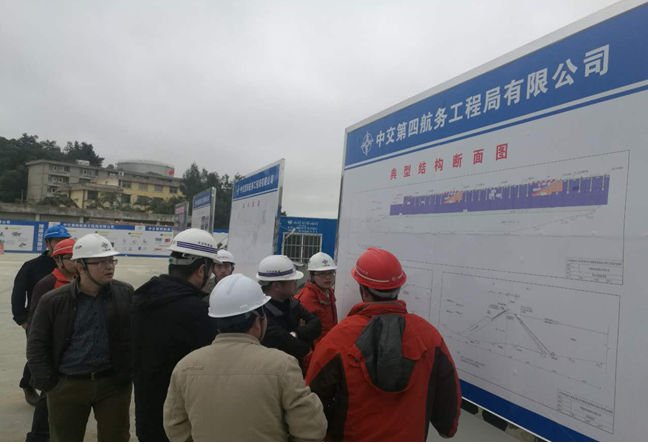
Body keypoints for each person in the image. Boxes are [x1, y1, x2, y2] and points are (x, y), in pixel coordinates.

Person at [305, 248, 461, 441]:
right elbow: (448, 396)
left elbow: (312, 399)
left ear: (363, 290)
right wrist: (446, 427)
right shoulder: (430, 336)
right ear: (398, 288)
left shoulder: (338, 338)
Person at [164, 274, 327, 441]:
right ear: (258, 322)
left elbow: (174, 426)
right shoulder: (282, 365)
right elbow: (313, 429)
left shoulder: (185, 367)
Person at [27, 234, 134, 442]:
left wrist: (127, 374)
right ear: (80, 266)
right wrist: (50, 384)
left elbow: (134, 335)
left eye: (111, 260)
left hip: (113, 385)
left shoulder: (125, 293)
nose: (109, 266)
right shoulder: (53, 300)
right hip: (67, 386)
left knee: (116, 437)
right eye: (101, 262)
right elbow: (36, 344)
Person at [131, 228, 219, 442]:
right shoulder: (198, 312)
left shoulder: (140, 298)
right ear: (201, 270)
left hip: (146, 412)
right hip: (181, 419)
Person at [12, 224, 71, 406]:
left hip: (64, 319)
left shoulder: (72, 264)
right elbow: (18, 294)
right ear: (47, 244)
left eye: (65, 241)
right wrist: (23, 320)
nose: (61, 244)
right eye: (57, 241)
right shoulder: (32, 266)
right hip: (36, 320)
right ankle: (28, 385)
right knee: (39, 354)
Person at [24, 238, 77, 442]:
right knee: (48, 399)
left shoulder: (80, 281)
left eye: (78, 258)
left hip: (72, 353)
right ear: (58, 260)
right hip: (53, 353)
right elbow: (36, 324)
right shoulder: (47, 284)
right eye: (71, 258)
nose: (76, 262)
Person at [256, 255, 321, 366]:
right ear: (276, 286)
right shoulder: (261, 312)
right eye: (291, 280)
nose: (296, 282)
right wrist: (304, 335)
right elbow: (300, 348)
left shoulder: (291, 302)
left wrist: (295, 333)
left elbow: (316, 324)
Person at [295, 252, 338, 347]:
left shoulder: (329, 291)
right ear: (312, 276)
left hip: (329, 346)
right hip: (316, 350)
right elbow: (303, 333)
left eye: (330, 273)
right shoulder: (306, 298)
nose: (328, 277)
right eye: (322, 274)